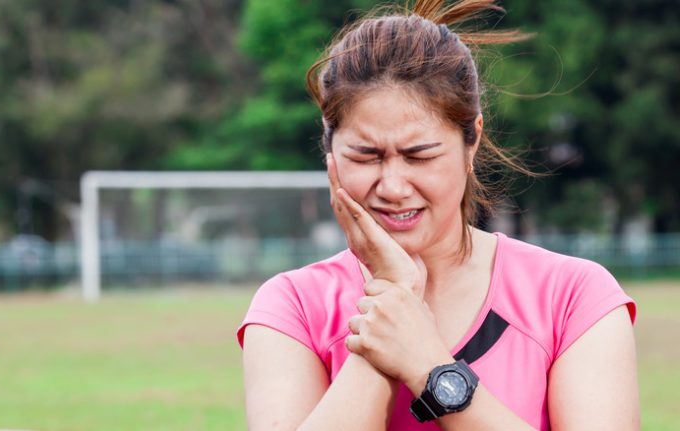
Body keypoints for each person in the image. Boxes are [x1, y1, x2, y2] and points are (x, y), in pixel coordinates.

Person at [236, 0, 639, 429]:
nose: (392, 186)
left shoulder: (573, 296)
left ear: (472, 142)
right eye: (366, 155)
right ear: (330, 151)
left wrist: (428, 365)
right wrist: (392, 301)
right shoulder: (292, 305)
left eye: (419, 155)